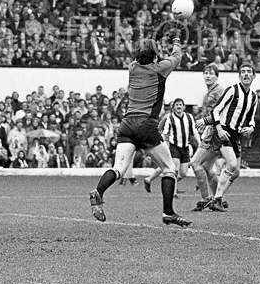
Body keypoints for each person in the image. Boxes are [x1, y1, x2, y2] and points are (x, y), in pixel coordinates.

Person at [89, 32, 191, 226]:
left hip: (127, 124)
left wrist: (153, 40)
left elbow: (143, 55)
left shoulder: (132, 68)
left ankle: (98, 192)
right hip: (146, 124)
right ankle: (168, 213)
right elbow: (177, 56)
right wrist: (176, 40)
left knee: (119, 168)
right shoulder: (160, 69)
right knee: (169, 169)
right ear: (155, 56)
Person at [199, 62, 259, 212]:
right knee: (231, 164)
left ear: (253, 76)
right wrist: (219, 128)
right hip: (224, 131)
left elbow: (251, 118)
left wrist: (251, 128)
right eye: (243, 71)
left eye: (249, 72)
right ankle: (217, 198)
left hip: (236, 134)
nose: (246, 74)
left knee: (236, 171)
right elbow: (216, 110)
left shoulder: (253, 97)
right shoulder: (232, 90)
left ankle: (216, 198)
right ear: (239, 76)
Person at [189, 64, 226, 211]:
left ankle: (206, 199)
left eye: (211, 73)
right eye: (205, 73)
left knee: (195, 163)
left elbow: (223, 112)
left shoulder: (219, 91)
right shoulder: (209, 93)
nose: (207, 76)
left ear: (217, 76)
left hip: (215, 133)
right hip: (212, 131)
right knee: (206, 167)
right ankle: (219, 199)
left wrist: (206, 122)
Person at [143, 98, 199, 194]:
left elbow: (194, 131)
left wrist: (199, 142)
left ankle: (150, 179)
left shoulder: (189, 117)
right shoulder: (169, 118)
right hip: (174, 146)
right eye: (176, 105)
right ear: (173, 107)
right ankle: (173, 192)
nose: (178, 106)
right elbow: (162, 132)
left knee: (182, 172)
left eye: (180, 104)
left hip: (185, 147)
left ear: (184, 107)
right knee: (174, 168)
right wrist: (163, 145)